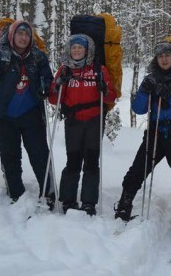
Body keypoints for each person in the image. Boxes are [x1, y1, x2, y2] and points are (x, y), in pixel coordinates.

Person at [113, 42, 171, 240]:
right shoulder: (151, 78)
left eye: (167, 55)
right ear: (156, 59)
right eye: (161, 57)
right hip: (156, 133)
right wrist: (144, 90)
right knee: (138, 169)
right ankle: (125, 204)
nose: (164, 59)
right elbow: (139, 109)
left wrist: (168, 95)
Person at [0, 20, 55, 207]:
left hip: (31, 114)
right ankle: (16, 193)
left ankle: (49, 194)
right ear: (12, 35)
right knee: (10, 155)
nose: (23, 38)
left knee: (40, 156)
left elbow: (48, 80)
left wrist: (47, 87)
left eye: (27, 34)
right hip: (5, 115)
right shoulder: (0, 57)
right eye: (20, 34)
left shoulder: (38, 57)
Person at [49, 34, 116, 215]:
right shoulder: (64, 70)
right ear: (69, 50)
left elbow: (111, 97)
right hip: (73, 122)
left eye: (80, 47)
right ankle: (68, 200)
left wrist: (105, 88)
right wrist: (57, 86)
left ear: (88, 50)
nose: (77, 50)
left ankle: (88, 202)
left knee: (92, 162)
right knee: (73, 161)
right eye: (74, 47)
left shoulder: (98, 70)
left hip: (94, 122)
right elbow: (54, 100)